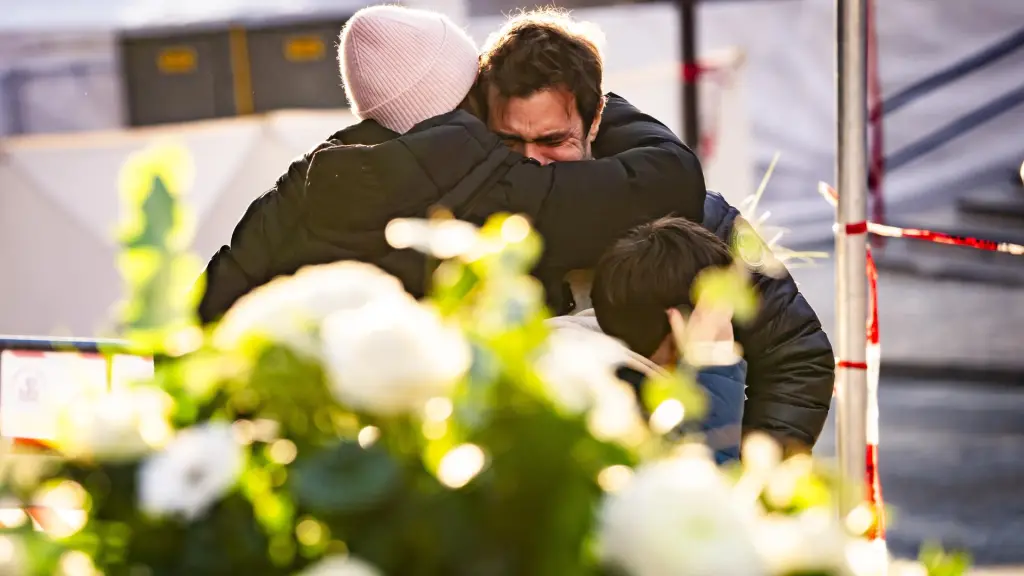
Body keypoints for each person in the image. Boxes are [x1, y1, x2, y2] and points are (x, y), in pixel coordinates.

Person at [197, 5, 706, 323]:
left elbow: (214, 295)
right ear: (469, 101)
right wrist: (596, 104)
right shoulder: (485, 181)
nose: (532, 157)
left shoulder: (308, 179)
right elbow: (669, 180)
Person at [476, 9, 833, 454]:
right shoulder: (473, 221)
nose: (532, 163)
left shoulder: (697, 213)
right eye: (509, 143)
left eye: (553, 142)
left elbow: (797, 354)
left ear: (595, 120)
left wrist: (749, 479)